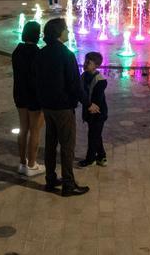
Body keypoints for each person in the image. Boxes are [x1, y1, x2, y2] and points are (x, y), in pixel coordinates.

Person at [35, 18, 98, 197]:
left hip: (47, 106)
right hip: (63, 107)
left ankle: (50, 179)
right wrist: (88, 104)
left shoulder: (41, 53)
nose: (69, 32)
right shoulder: (66, 55)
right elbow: (75, 85)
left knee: (50, 143)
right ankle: (68, 185)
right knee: (67, 145)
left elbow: (36, 79)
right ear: (59, 33)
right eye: (66, 30)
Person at [12, 21, 44, 176]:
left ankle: (22, 162)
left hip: (19, 93)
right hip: (34, 95)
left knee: (23, 128)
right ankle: (32, 164)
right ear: (37, 35)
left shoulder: (17, 50)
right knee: (35, 129)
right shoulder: (38, 53)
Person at [78, 51, 108, 168]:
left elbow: (97, 100)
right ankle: (101, 157)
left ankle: (90, 159)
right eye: (85, 61)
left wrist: (90, 109)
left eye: (88, 62)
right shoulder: (84, 76)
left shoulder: (100, 80)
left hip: (98, 113)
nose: (85, 64)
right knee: (96, 135)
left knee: (93, 135)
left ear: (96, 65)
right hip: (90, 111)